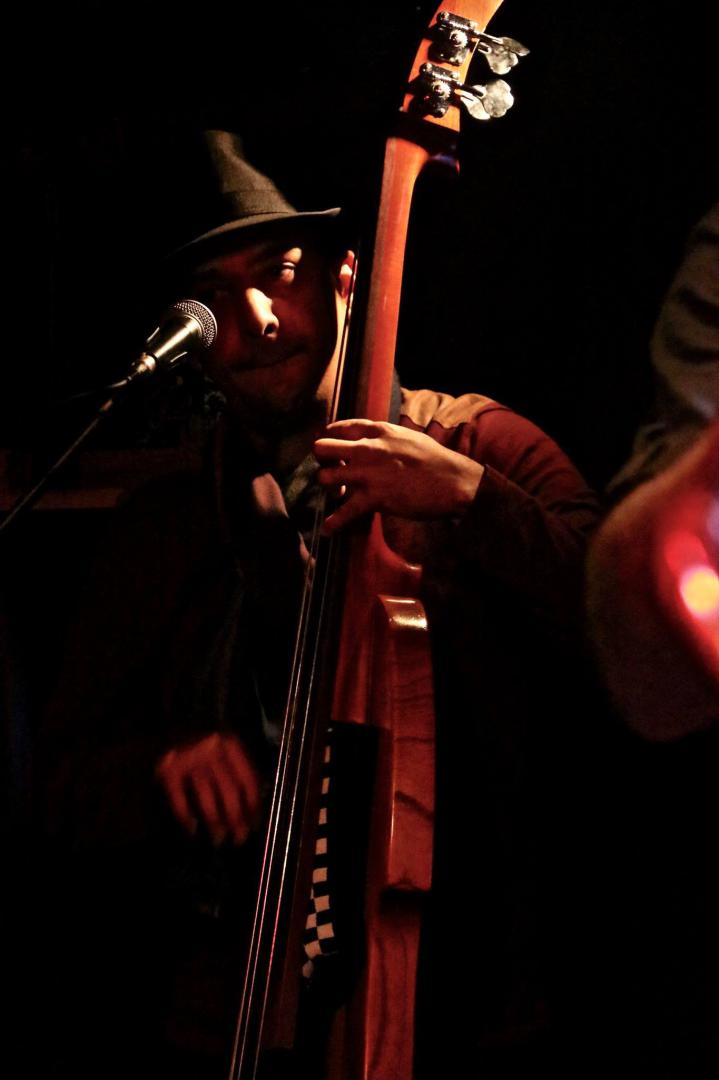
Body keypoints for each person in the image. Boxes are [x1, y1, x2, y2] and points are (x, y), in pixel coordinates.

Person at [39, 130, 600, 1078]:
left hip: (473, 1008)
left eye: (280, 273)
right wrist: (161, 769)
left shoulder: (477, 445)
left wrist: (474, 502)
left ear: (344, 279)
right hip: (230, 1016)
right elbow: (57, 784)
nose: (255, 317)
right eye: (214, 297)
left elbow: (629, 638)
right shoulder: (164, 526)